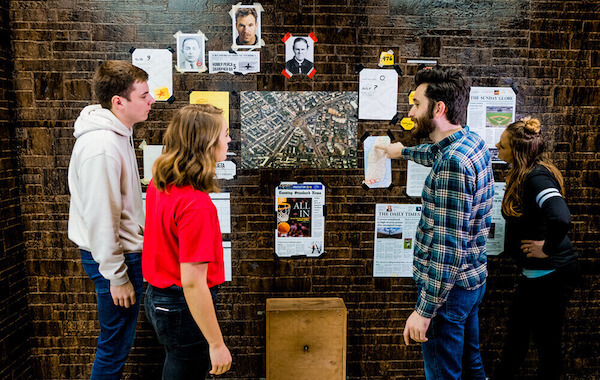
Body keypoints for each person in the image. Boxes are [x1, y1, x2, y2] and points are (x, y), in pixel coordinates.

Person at [377, 66, 494, 379]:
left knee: (443, 375)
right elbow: (436, 153)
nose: (411, 112)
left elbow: (447, 249)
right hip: (471, 281)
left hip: (447, 291)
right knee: (471, 367)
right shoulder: (469, 142)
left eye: (416, 104)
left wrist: (424, 311)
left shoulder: (453, 165)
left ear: (438, 108)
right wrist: (402, 152)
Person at [68, 60, 155, 379]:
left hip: (119, 258)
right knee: (114, 347)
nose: (152, 100)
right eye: (144, 95)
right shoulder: (102, 146)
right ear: (119, 102)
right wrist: (117, 276)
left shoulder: (119, 133)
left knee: (117, 343)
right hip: (113, 262)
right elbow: (101, 218)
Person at [143, 104, 233, 378]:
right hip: (182, 306)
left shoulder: (160, 185)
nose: (229, 140)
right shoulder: (197, 206)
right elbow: (194, 284)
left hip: (158, 298)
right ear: (206, 143)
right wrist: (217, 344)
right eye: (225, 134)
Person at [494, 117, 579, 380]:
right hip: (535, 278)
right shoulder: (526, 176)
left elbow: (561, 216)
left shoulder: (537, 178)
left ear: (517, 151)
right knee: (517, 341)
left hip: (553, 276)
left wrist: (547, 249)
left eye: (503, 145)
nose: (497, 146)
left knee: (547, 344)